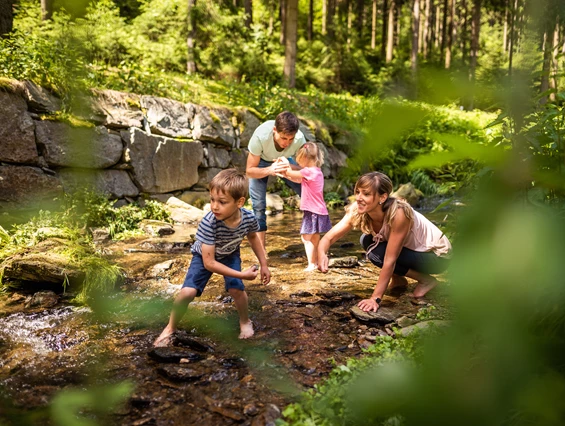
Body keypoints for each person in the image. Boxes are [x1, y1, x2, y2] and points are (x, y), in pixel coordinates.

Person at [154, 169, 270, 346]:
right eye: (212, 200)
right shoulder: (209, 222)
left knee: (236, 290)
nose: (214, 206)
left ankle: (245, 321)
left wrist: (264, 265)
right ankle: (170, 328)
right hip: (203, 256)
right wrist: (243, 275)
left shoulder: (248, 218)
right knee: (187, 292)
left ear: (239, 202)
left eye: (222, 202)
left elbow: (253, 237)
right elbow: (209, 263)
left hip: (230, 253)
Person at [317, 172, 451, 313]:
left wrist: (375, 298)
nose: (359, 198)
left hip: (437, 258)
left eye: (366, 194)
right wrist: (321, 253)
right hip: (416, 253)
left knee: (377, 252)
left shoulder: (398, 214)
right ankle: (399, 280)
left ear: (382, 197)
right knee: (366, 239)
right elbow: (328, 238)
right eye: (357, 192)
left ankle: (426, 280)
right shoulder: (358, 210)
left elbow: (390, 260)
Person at [245, 111, 306, 254]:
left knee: (308, 191)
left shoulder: (300, 139)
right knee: (258, 206)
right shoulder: (260, 136)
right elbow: (249, 171)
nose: (287, 143)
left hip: (285, 161)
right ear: (274, 130)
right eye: (284, 138)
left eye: (291, 139)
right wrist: (270, 169)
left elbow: (307, 169)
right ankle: (261, 254)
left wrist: (289, 167)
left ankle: (316, 242)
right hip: (260, 163)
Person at [282, 142, 332, 271]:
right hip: (318, 209)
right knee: (314, 237)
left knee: (305, 237)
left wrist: (283, 163)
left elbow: (291, 173)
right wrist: (284, 174)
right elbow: (296, 179)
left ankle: (311, 264)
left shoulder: (307, 171)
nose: (298, 163)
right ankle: (315, 262)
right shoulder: (316, 171)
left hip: (312, 210)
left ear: (304, 158)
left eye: (299, 160)